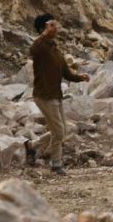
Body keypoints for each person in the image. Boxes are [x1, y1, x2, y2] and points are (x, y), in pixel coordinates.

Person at [30, 12, 87, 174]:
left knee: (62, 131)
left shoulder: (55, 49)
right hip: (43, 96)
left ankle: (32, 146)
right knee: (59, 131)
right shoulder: (40, 47)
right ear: (43, 29)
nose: (55, 27)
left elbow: (65, 73)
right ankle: (56, 164)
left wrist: (79, 78)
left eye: (54, 24)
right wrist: (43, 35)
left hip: (56, 95)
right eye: (51, 25)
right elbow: (32, 49)